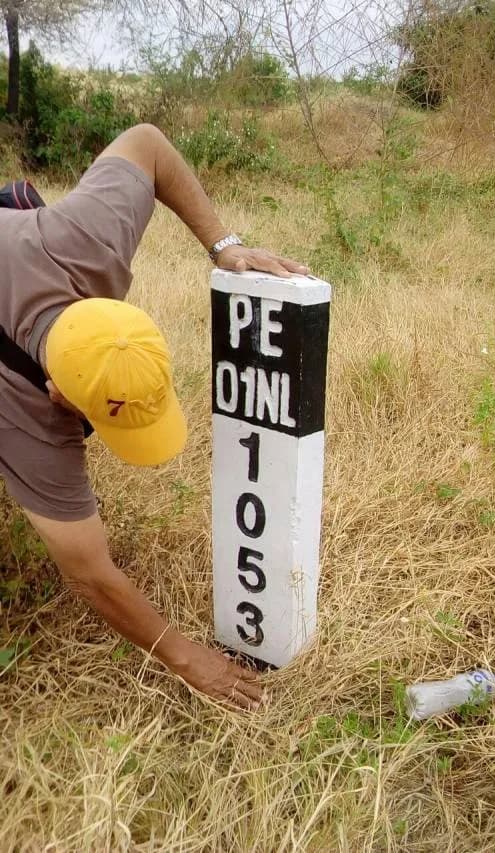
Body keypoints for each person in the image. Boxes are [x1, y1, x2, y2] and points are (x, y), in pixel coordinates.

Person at [0, 123, 309, 710]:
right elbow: (88, 570)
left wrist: (223, 245)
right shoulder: (27, 417)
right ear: (58, 394)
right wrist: (188, 658)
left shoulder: (85, 241)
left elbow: (146, 142)